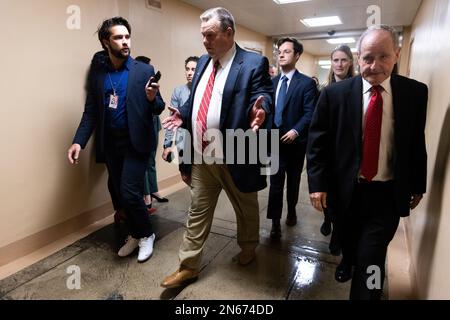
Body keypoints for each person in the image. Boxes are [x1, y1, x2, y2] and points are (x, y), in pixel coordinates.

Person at [306, 25, 428, 300]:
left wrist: (418, 183)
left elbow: (415, 142)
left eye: (383, 57)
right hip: (344, 191)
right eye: (368, 58)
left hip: (386, 194)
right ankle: (348, 260)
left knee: (371, 258)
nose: (375, 66)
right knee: (348, 243)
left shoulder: (414, 94)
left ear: (396, 55)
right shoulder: (334, 95)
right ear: (358, 57)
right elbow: (317, 143)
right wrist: (317, 184)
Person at [160, 7, 273, 288]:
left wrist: (261, 111)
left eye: (210, 35)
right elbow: (198, 99)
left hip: (235, 153)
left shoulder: (252, 63)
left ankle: (248, 247)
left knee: (245, 208)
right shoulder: (202, 62)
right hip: (201, 155)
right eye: (202, 36)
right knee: (196, 210)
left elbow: (263, 94)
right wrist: (182, 113)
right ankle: (188, 266)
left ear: (228, 33)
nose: (205, 41)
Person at [67, 17, 166, 263]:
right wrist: (79, 141)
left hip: (137, 143)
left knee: (130, 192)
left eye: (127, 37)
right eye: (118, 38)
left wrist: (152, 98)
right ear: (105, 42)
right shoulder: (99, 74)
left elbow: (159, 107)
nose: (125, 42)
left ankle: (146, 235)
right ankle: (134, 233)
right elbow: (91, 111)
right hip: (112, 146)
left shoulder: (144, 71)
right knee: (121, 195)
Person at [266, 38, 318, 239]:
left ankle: (292, 210)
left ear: (297, 55)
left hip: (295, 145)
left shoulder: (306, 84)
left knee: (293, 183)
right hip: (274, 144)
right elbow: (267, 111)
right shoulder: (271, 83)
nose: (281, 54)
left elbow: (309, 113)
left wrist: (296, 131)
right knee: (275, 184)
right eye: (280, 51)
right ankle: (275, 223)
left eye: (287, 51)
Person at [319, 45, 355, 257]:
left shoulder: (358, 87)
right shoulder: (324, 89)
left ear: (350, 62)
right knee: (326, 192)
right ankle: (327, 218)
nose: (339, 64)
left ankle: (338, 234)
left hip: (346, 152)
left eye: (344, 60)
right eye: (336, 60)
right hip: (327, 151)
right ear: (331, 63)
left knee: (342, 198)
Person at [135, 55, 168, 214]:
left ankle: (153, 190)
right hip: (141, 124)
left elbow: (160, 104)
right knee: (144, 160)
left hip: (153, 122)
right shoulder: (133, 83)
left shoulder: (152, 82)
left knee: (151, 159)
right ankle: (146, 195)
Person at [162, 56, 199, 183]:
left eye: (193, 69)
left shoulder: (203, 90)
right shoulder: (178, 91)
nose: (189, 72)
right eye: (187, 69)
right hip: (183, 140)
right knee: (185, 176)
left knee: (202, 177)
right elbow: (171, 119)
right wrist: (167, 145)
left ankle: (198, 201)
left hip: (201, 139)